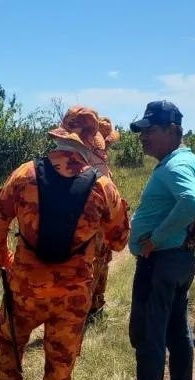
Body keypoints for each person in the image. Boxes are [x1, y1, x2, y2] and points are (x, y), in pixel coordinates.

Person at [0, 105, 130, 380]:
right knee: (60, 364)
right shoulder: (104, 186)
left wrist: (3, 258)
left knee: (9, 347)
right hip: (72, 297)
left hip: (24, 289)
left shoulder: (23, 175)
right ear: (91, 143)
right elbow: (121, 240)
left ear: (62, 136)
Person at [112, 101, 195, 380]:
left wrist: (155, 237)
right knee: (176, 329)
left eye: (150, 130)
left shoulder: (174, 167)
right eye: (142, 131)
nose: (143, 137)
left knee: (149, 334)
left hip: (161, 262)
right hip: (177, 260)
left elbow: (193, 201)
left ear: (173, 131)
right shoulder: (185, 160)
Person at [87, 115, 123, 325]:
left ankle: (96, 306)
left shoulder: (98, 161)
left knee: (100, 266)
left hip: (100, 229)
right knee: (95, 266)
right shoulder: (97, 166)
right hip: (97, 229)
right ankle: (90, 310)